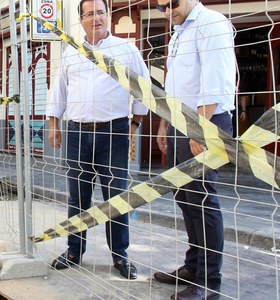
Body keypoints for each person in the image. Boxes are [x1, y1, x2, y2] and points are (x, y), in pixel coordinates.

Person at [46, 0, 149, 280]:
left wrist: (135, 123)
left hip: (114, 131)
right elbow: (59, 90)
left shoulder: (126, 50)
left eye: (101, 13)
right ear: (81, 20)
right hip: (78, 132)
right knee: (77, 196)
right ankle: (74, 251)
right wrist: (53, 124)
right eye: (90, 14)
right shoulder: (72, 52)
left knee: (116, 198)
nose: (96, 18)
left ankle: (120, 257)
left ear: (109, 16)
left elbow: (144, 87)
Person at [154, 0, 235, 299]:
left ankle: (208, 283)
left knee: (202, 199)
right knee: (184, 196)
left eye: (172, 3)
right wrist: (165, 123)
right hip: (181, 120)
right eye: (161, 7)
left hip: (206, 119)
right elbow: (175, 85)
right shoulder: (178, 30)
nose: (167, 10)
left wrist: (198, 128)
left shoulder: (211, 23)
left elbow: (214, 81)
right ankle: (194, 266)